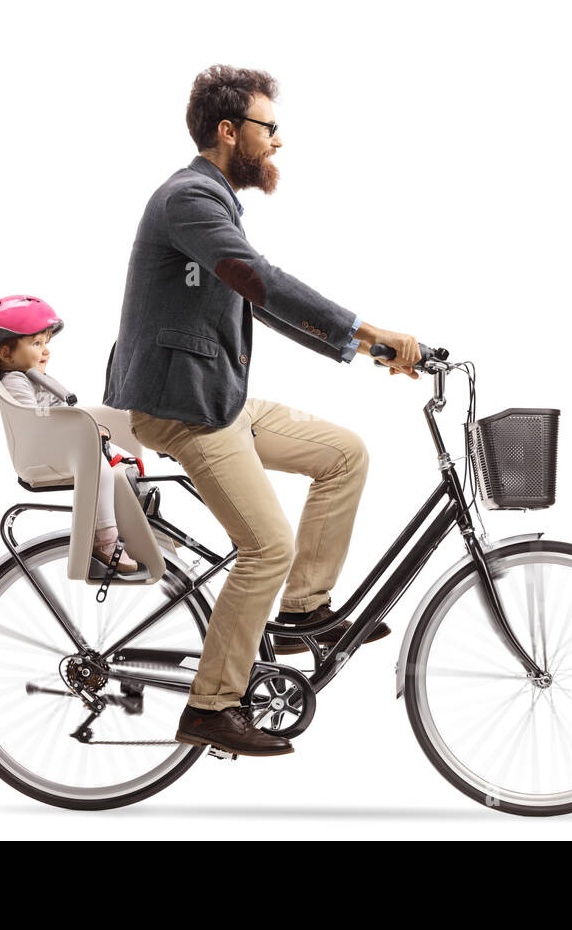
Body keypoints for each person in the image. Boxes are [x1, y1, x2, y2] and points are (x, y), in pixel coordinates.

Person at [104, 65, 421, 757]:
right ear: (229, 131)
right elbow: (262, 282)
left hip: (217, 396)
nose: (277, 140)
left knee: (343, 454)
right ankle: (211, 704)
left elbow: (253, 294)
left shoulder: (210, 201)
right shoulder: (189, 199)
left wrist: (358, 348)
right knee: (267, 546)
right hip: (181, 406)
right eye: (268, 126)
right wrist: (370, 331)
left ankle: (303, 614)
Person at [0, 294, 138, 576]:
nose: (46, 351)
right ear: (5, 353)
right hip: (46, 453)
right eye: (36, 343)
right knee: (104, 473)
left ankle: (147, 525)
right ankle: (105, 541)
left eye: (46, 343)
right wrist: (81, 432)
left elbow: (58, 411)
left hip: (63, 446)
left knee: (129, 463)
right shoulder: (15, 382)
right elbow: (32, 421)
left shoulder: (36, 379)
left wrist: (87, 430)